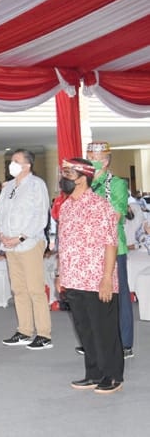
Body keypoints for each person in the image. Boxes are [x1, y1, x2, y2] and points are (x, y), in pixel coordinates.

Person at [56, 158, 124, 394]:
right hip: (73, 278)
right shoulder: (65, 207)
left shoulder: (100, 206)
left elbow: (110, 243)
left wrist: (107, 277)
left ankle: (112, 375)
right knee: (84, 329)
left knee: (103, 329)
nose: (63, 179)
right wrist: (60, 273)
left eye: (68, 174)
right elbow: (63, 244)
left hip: (97, 279)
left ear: (83, 177)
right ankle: (93, 373)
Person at [0, 149, 52, 350]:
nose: (12, 164)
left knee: (35, 289)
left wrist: (20, 237)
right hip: (10, 245)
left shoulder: (37, 185)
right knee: (18, 289)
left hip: (29, 243)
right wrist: (2, 234)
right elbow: (1, 213)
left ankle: (44, 334)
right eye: (11, 161)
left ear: (27, 165)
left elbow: (40, 217)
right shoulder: (9, 186)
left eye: (16, 161)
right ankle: (24, 331)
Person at [87, 141, 133, 359]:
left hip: (113, 247)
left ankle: (124, 342)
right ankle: (99, 340)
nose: (90, 161)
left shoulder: (116, 184)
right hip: (88, 249)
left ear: (104, 161)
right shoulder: (83, 184)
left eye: (93, 157)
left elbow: (115, 216)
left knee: (118, 294)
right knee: (92, 295)